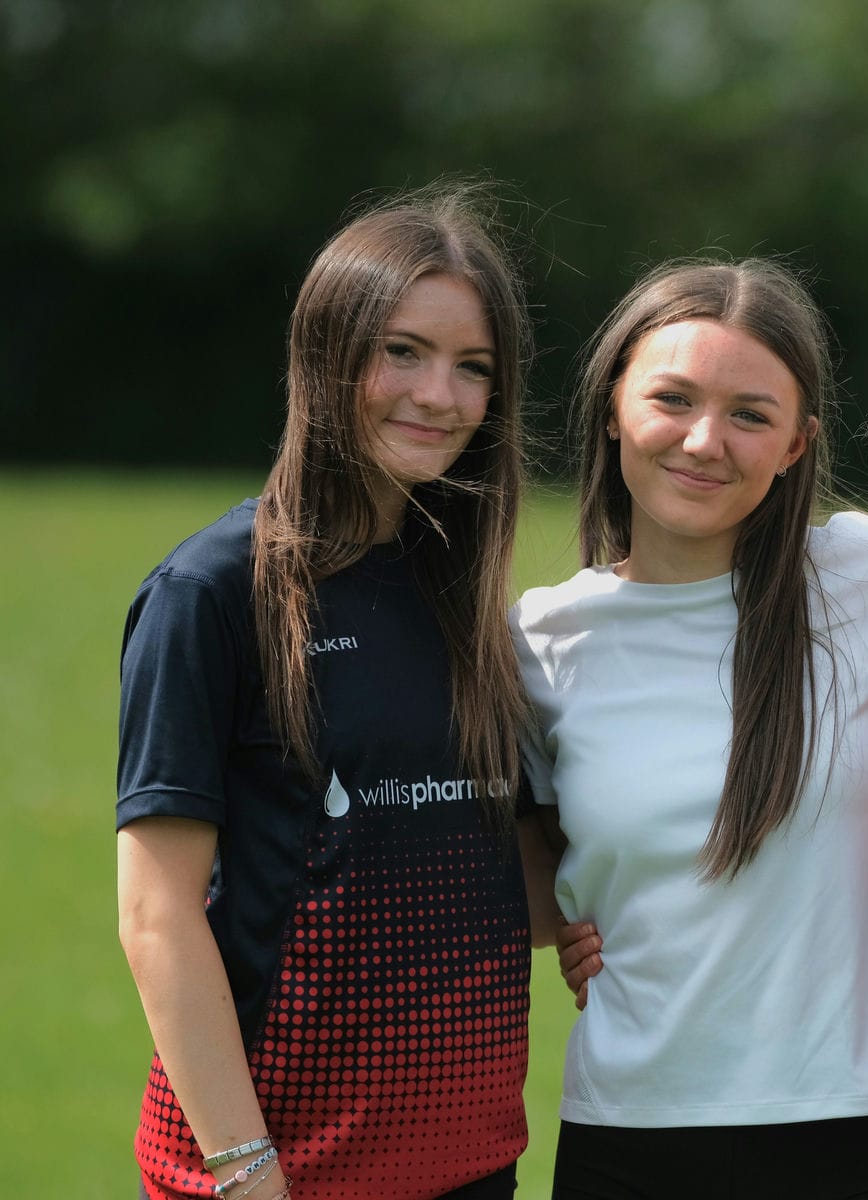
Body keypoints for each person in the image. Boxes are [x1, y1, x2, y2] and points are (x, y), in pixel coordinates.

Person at [116, 183, 551, 1200]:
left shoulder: (460, 596)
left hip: (469, 1163)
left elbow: (506, 882)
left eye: (474, 367)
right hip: (276, 1170)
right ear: (325, 352)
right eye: (403, 350)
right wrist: (245, 1169)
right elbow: (155, 912)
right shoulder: (211, 591)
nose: (439, 394)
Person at [511, 259, 868, 1199]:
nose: (705, 441)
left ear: (797, 444)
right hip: (628, 1139)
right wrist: (578, 918)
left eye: (750, 414)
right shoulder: (541, 638)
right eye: (672, 399)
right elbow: (531, 857)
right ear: (612, 406)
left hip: (862, 1133)